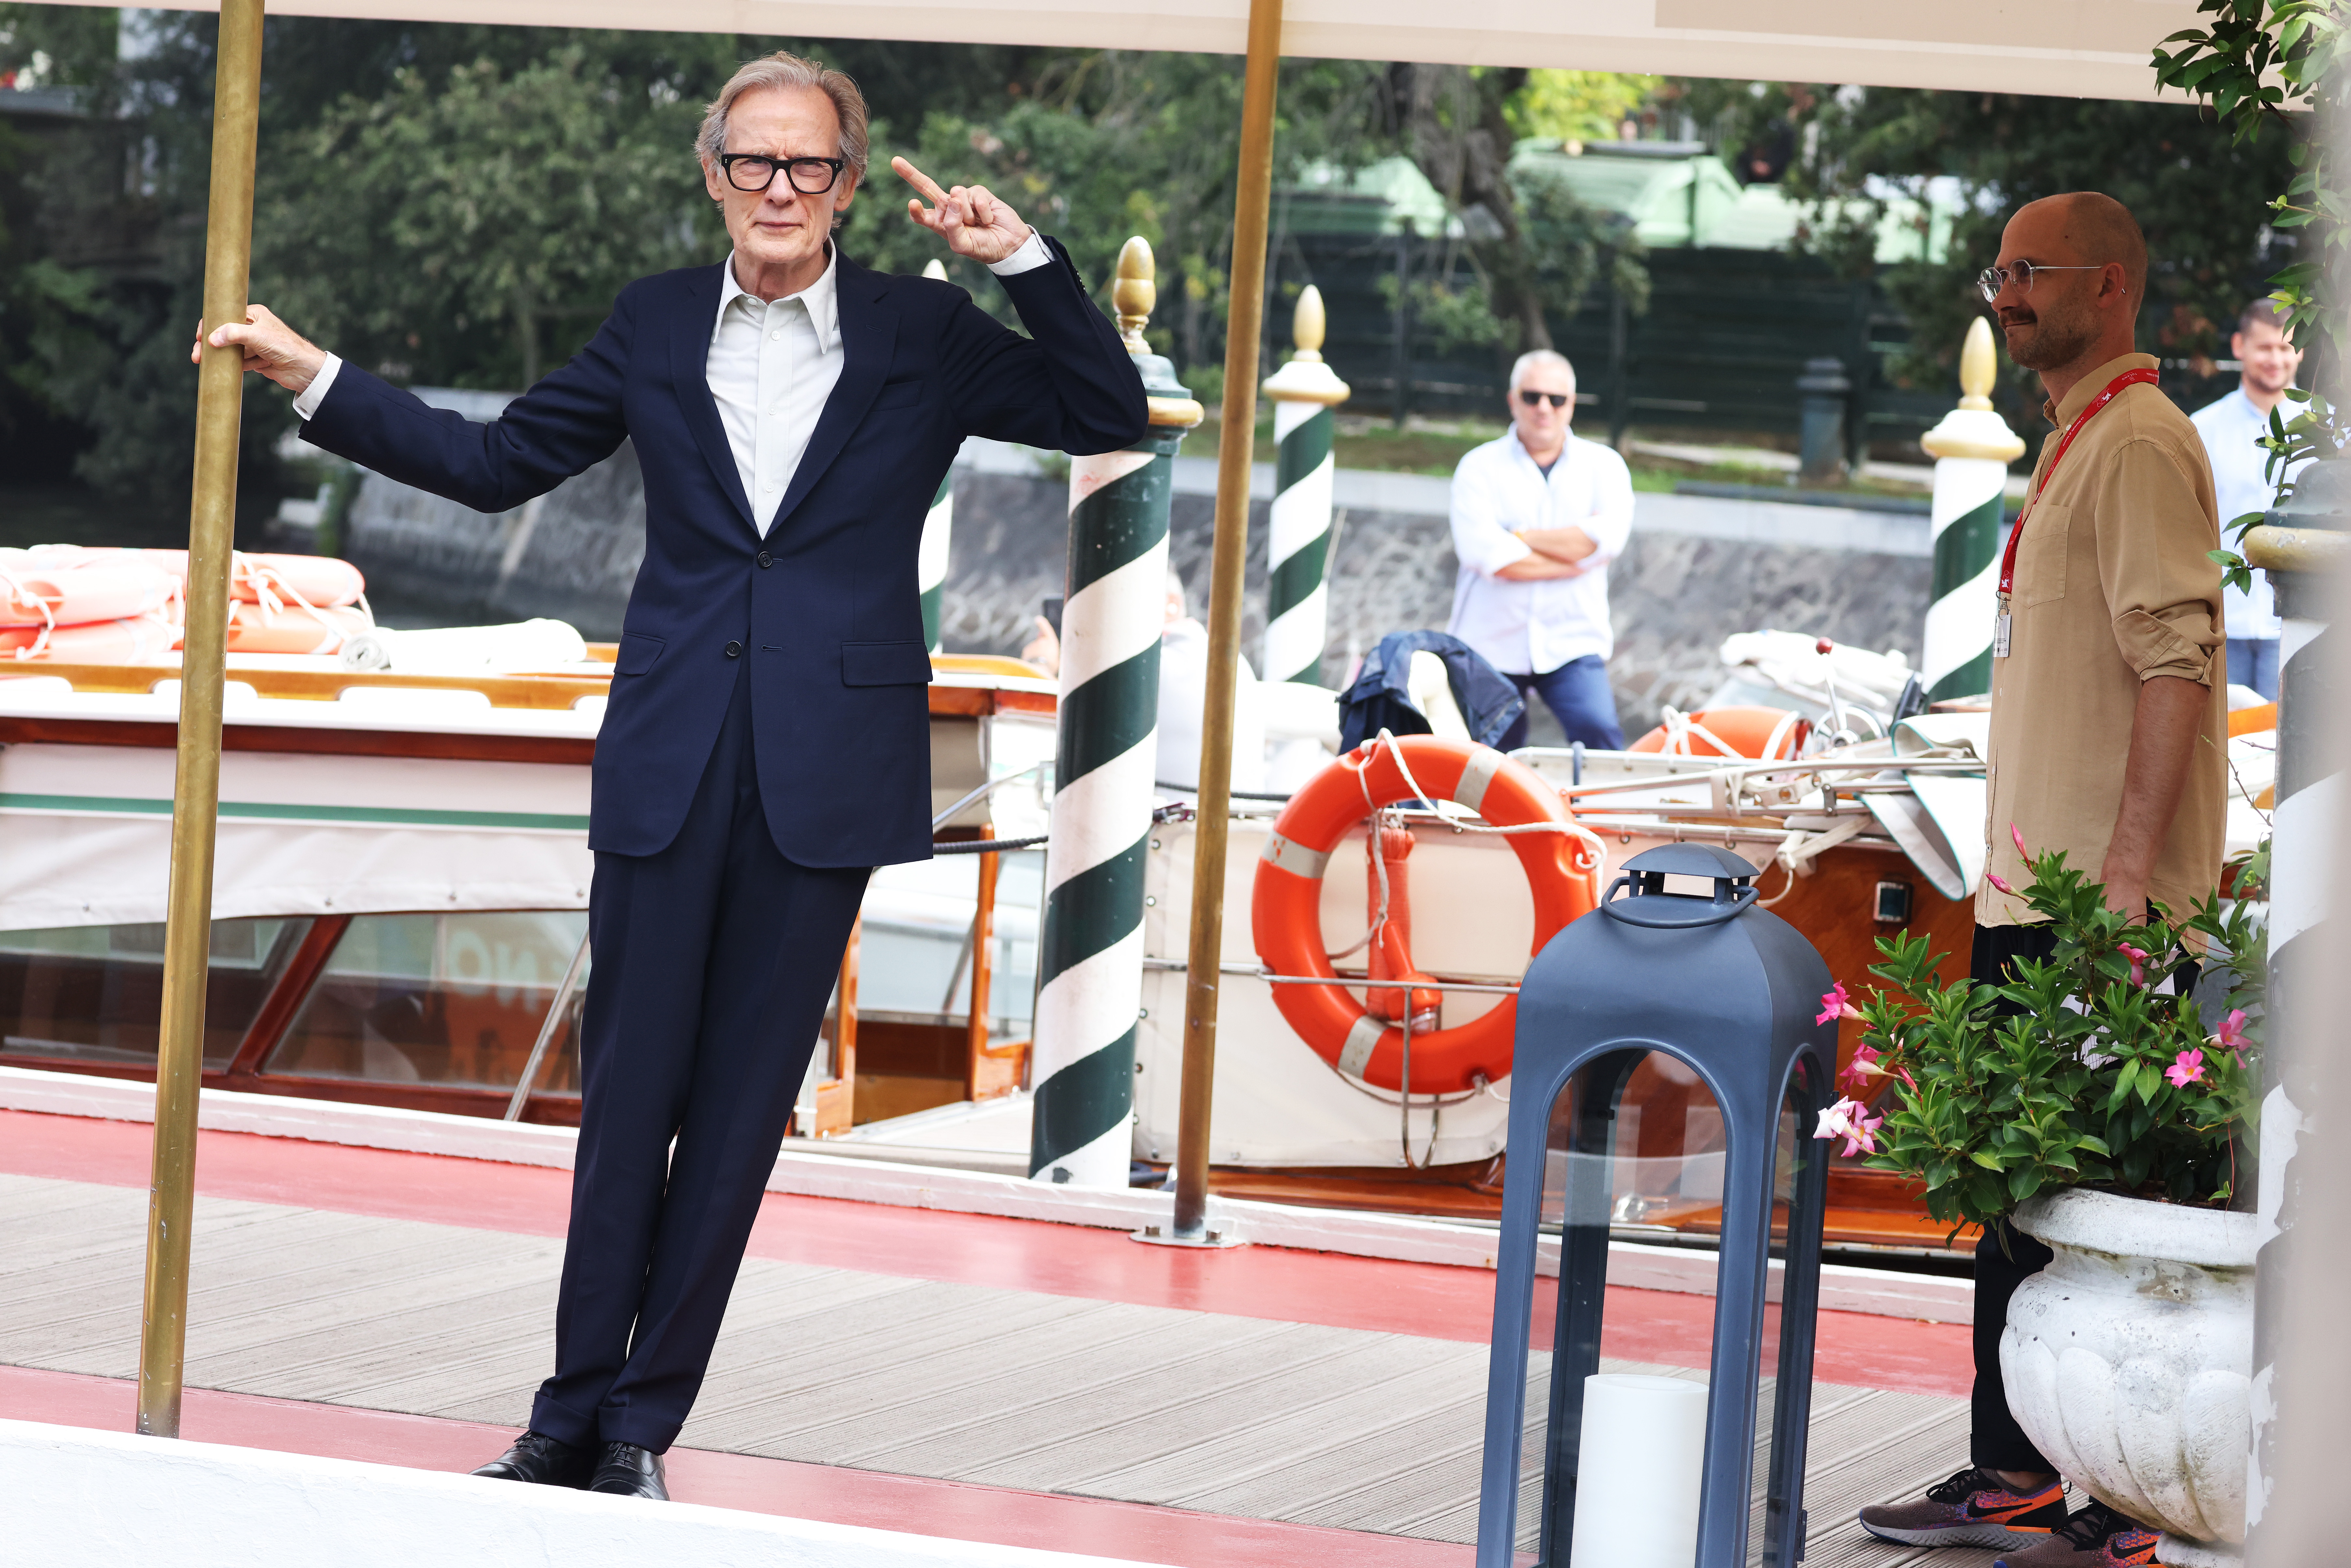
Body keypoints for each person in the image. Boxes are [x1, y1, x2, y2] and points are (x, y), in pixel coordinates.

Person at [199, 52, 1146, 1500]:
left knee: (738, 1108)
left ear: (846, 185)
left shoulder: (922, 329)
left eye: (809, 167)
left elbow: (1105, 408)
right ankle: (565, 1407)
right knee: (628, 1095)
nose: (779, 189)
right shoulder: (651, 321)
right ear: (711, 173)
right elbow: (497, 459)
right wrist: (313, 376)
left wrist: (1016, 255)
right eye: (752, 162)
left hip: (826, 767)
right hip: (669, 751)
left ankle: (643, 1419)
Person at [1858, 192, 2225, 1568]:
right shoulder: (2073, 435)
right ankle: (2019, 1469)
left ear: (2111, 287)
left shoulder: (2135, 439)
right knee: (2026, 1190)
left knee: (2097, 1199)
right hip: (2037, 892)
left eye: (2030, 272)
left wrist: (2124, 880)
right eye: (1997, 270)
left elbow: (2173, 659)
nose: (2002, 292)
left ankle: (2111, 1496)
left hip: (2097, 907)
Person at [1444, 349, 1633, 751]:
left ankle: (1602, 817)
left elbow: (1606, 540)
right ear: (1513, 400)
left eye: (1556, 398)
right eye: (1532, 397)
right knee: (1489, 757)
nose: (1543, 408)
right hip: (1490, 642)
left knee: (1600, 733)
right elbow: (1486, 556)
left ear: (1572, 404)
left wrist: (1520, 536)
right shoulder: (1478, 467)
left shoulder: (1606, 466)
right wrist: (1575, 557)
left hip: (1572, 640)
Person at [2189, 298, 2307, 699]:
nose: (2275, 359)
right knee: (2223, 750)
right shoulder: (2201, 430)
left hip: (2298, 620)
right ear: (2240, 347)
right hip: (2222, 625)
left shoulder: (2330, 437)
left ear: (2300, 351)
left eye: (2284, 347)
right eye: (2264, 347)